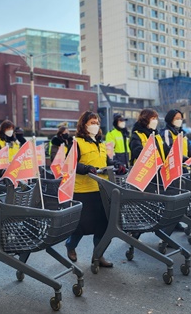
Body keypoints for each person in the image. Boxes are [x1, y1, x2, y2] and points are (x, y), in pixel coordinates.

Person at [65, 111, 126, 267]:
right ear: (84, 124)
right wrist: (86, 168)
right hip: (83, 190)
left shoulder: (101, 143)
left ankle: (98, 255)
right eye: (92, 122)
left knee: (103, 224)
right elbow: (71, 164)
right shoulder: (76, 142)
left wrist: (117, 165)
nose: (96, 125)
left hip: (102, 189)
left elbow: (107, 161)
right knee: (80, 225)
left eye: (97, 122)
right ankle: (70, 245)